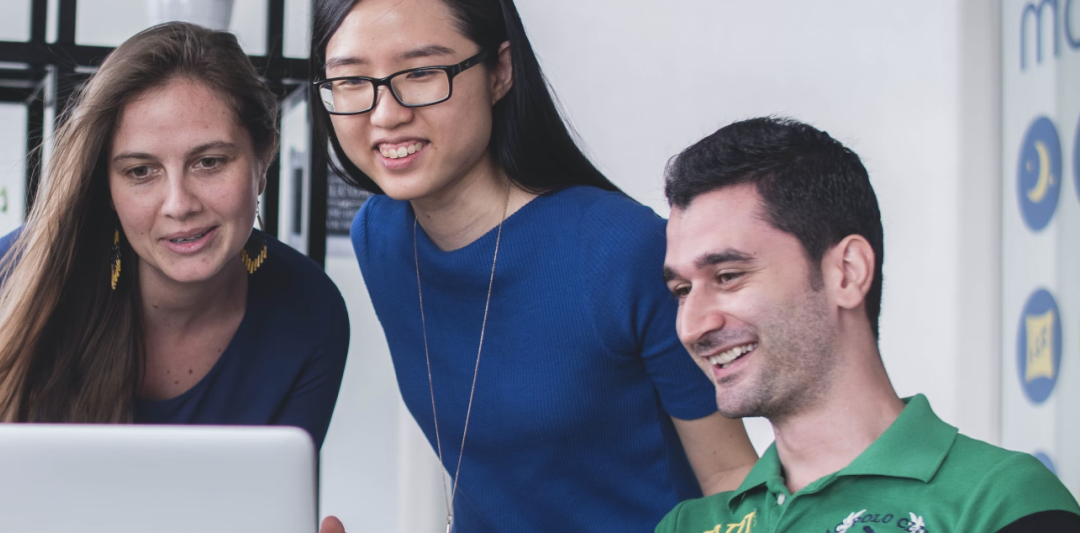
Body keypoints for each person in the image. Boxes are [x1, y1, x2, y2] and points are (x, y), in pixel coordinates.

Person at [313, 0, 758, 531]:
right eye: (351, 81)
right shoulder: (380, 236)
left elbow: (730, 477)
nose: (386, 113)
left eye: (422, 73)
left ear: (500, 71)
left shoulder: (623, 250)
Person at [0, 22, 349, 448]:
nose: (178, 203)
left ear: (263, 158)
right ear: (106, 187)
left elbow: (274, 507)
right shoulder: (6, 283)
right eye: (140, 171)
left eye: (209, 162)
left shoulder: (311, 312)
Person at [657, 117, 1080, 532]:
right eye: (681, 290)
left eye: (728, 276)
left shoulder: (1001, 502)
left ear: (847, 271)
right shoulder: (688, 525)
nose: (692, 326)